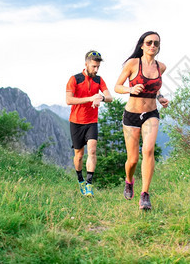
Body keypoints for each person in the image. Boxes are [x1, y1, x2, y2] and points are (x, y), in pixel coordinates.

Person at [114, 31, 169, 210]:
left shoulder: (161, 67)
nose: (152, 46)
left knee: (148, 150)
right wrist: (130, 89)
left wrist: (160, 97)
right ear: (142, 45)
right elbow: (117, 87)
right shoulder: (132, 64)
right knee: (133, 159)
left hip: (151, 113)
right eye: (149, 42)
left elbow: (156, 88)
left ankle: (144, 194)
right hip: (131, 115)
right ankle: (129, 180)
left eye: (156, 43)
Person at [66, 50, 113, 197]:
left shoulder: (99, 80)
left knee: (92, 151)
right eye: (94, 66)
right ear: (86, 64)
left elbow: (110, 97)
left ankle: (89, 185)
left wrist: (100, 99)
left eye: (98, 67)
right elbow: (69, 100)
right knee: (79, 155)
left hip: (92, 122)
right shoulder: (74, 79)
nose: (96, 69)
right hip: (76, 122)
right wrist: (90, 98)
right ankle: (80, 179)